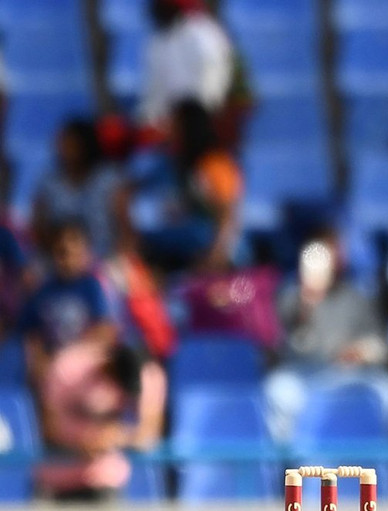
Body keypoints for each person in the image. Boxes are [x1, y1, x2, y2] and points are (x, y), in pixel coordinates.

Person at [264, 231, 388, 441]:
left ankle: (384, 461)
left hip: (351, 375)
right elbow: (283, 342)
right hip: (305, 375)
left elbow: (380, 345)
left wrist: (361, 352)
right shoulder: (290, 298)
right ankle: (293, 461)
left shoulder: (356, 299)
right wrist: (306, 305)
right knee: (279, 390)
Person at [35, 340, 165, 502]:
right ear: (109, 363)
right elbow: (47, 426)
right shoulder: (68, 367)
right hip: (57, 479)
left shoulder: (148, 376)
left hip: (104, 481)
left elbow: (148, 434)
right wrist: (83, 442)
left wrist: (116, 437)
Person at [136, 99, 243, 273]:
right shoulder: (171, 162)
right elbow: (131, 189)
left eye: (174, 123)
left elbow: (228, 215)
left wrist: (215, 255)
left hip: (217, 253)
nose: (168, 129)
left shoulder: (216, 165)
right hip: (182, 247)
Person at [18, 221, 118, 392]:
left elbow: (105, 331)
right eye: (62, 253)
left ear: (85, 252)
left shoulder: (93, 286)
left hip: (86, 366)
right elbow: (31, 334)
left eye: (75, 252)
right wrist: (39, 359)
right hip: (51, 369)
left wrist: (68, 357)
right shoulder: (42, 292)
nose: (68, 259)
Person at [32, 119, 130, 260]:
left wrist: (119, 261)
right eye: (62, 144)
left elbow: (125, 228)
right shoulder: (48, 183)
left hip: (105, 259)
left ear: (85, 146)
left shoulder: (109, 179)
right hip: (59, 262)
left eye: (71, 145)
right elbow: (38, 229)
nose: (64, 150)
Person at [141, 0, 235, 129]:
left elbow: (212, 85)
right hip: (169, 121)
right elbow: (155, 92)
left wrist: (196, 116)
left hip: (200, 119)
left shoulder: (204, 34)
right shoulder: (157, 41)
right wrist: (149, 120)